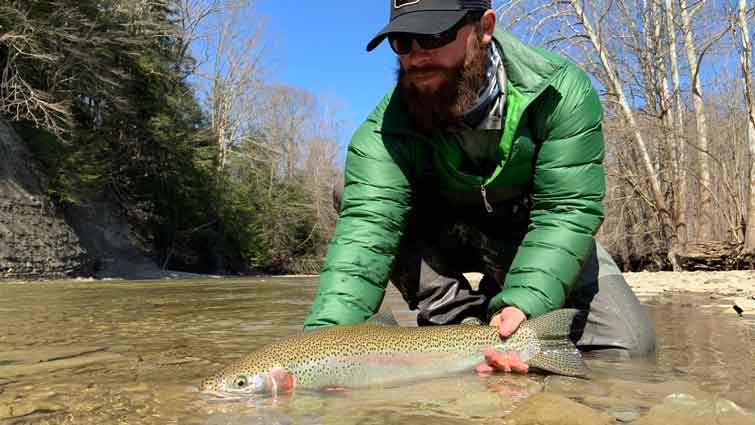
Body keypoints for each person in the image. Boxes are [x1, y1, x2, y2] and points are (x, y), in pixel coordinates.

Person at [303, 0, 655, 373]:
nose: (418, 57)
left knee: (629, 351)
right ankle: (457, 322)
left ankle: (501, 303)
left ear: (484, 28)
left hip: (533, 235)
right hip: (445, 241)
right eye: (403, 42)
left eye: (435, 35)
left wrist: (525, 302)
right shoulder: (381, 133)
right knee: (352, 196)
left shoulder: (559, 92)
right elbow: (365, 234)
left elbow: (567, 211)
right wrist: (320, 351)